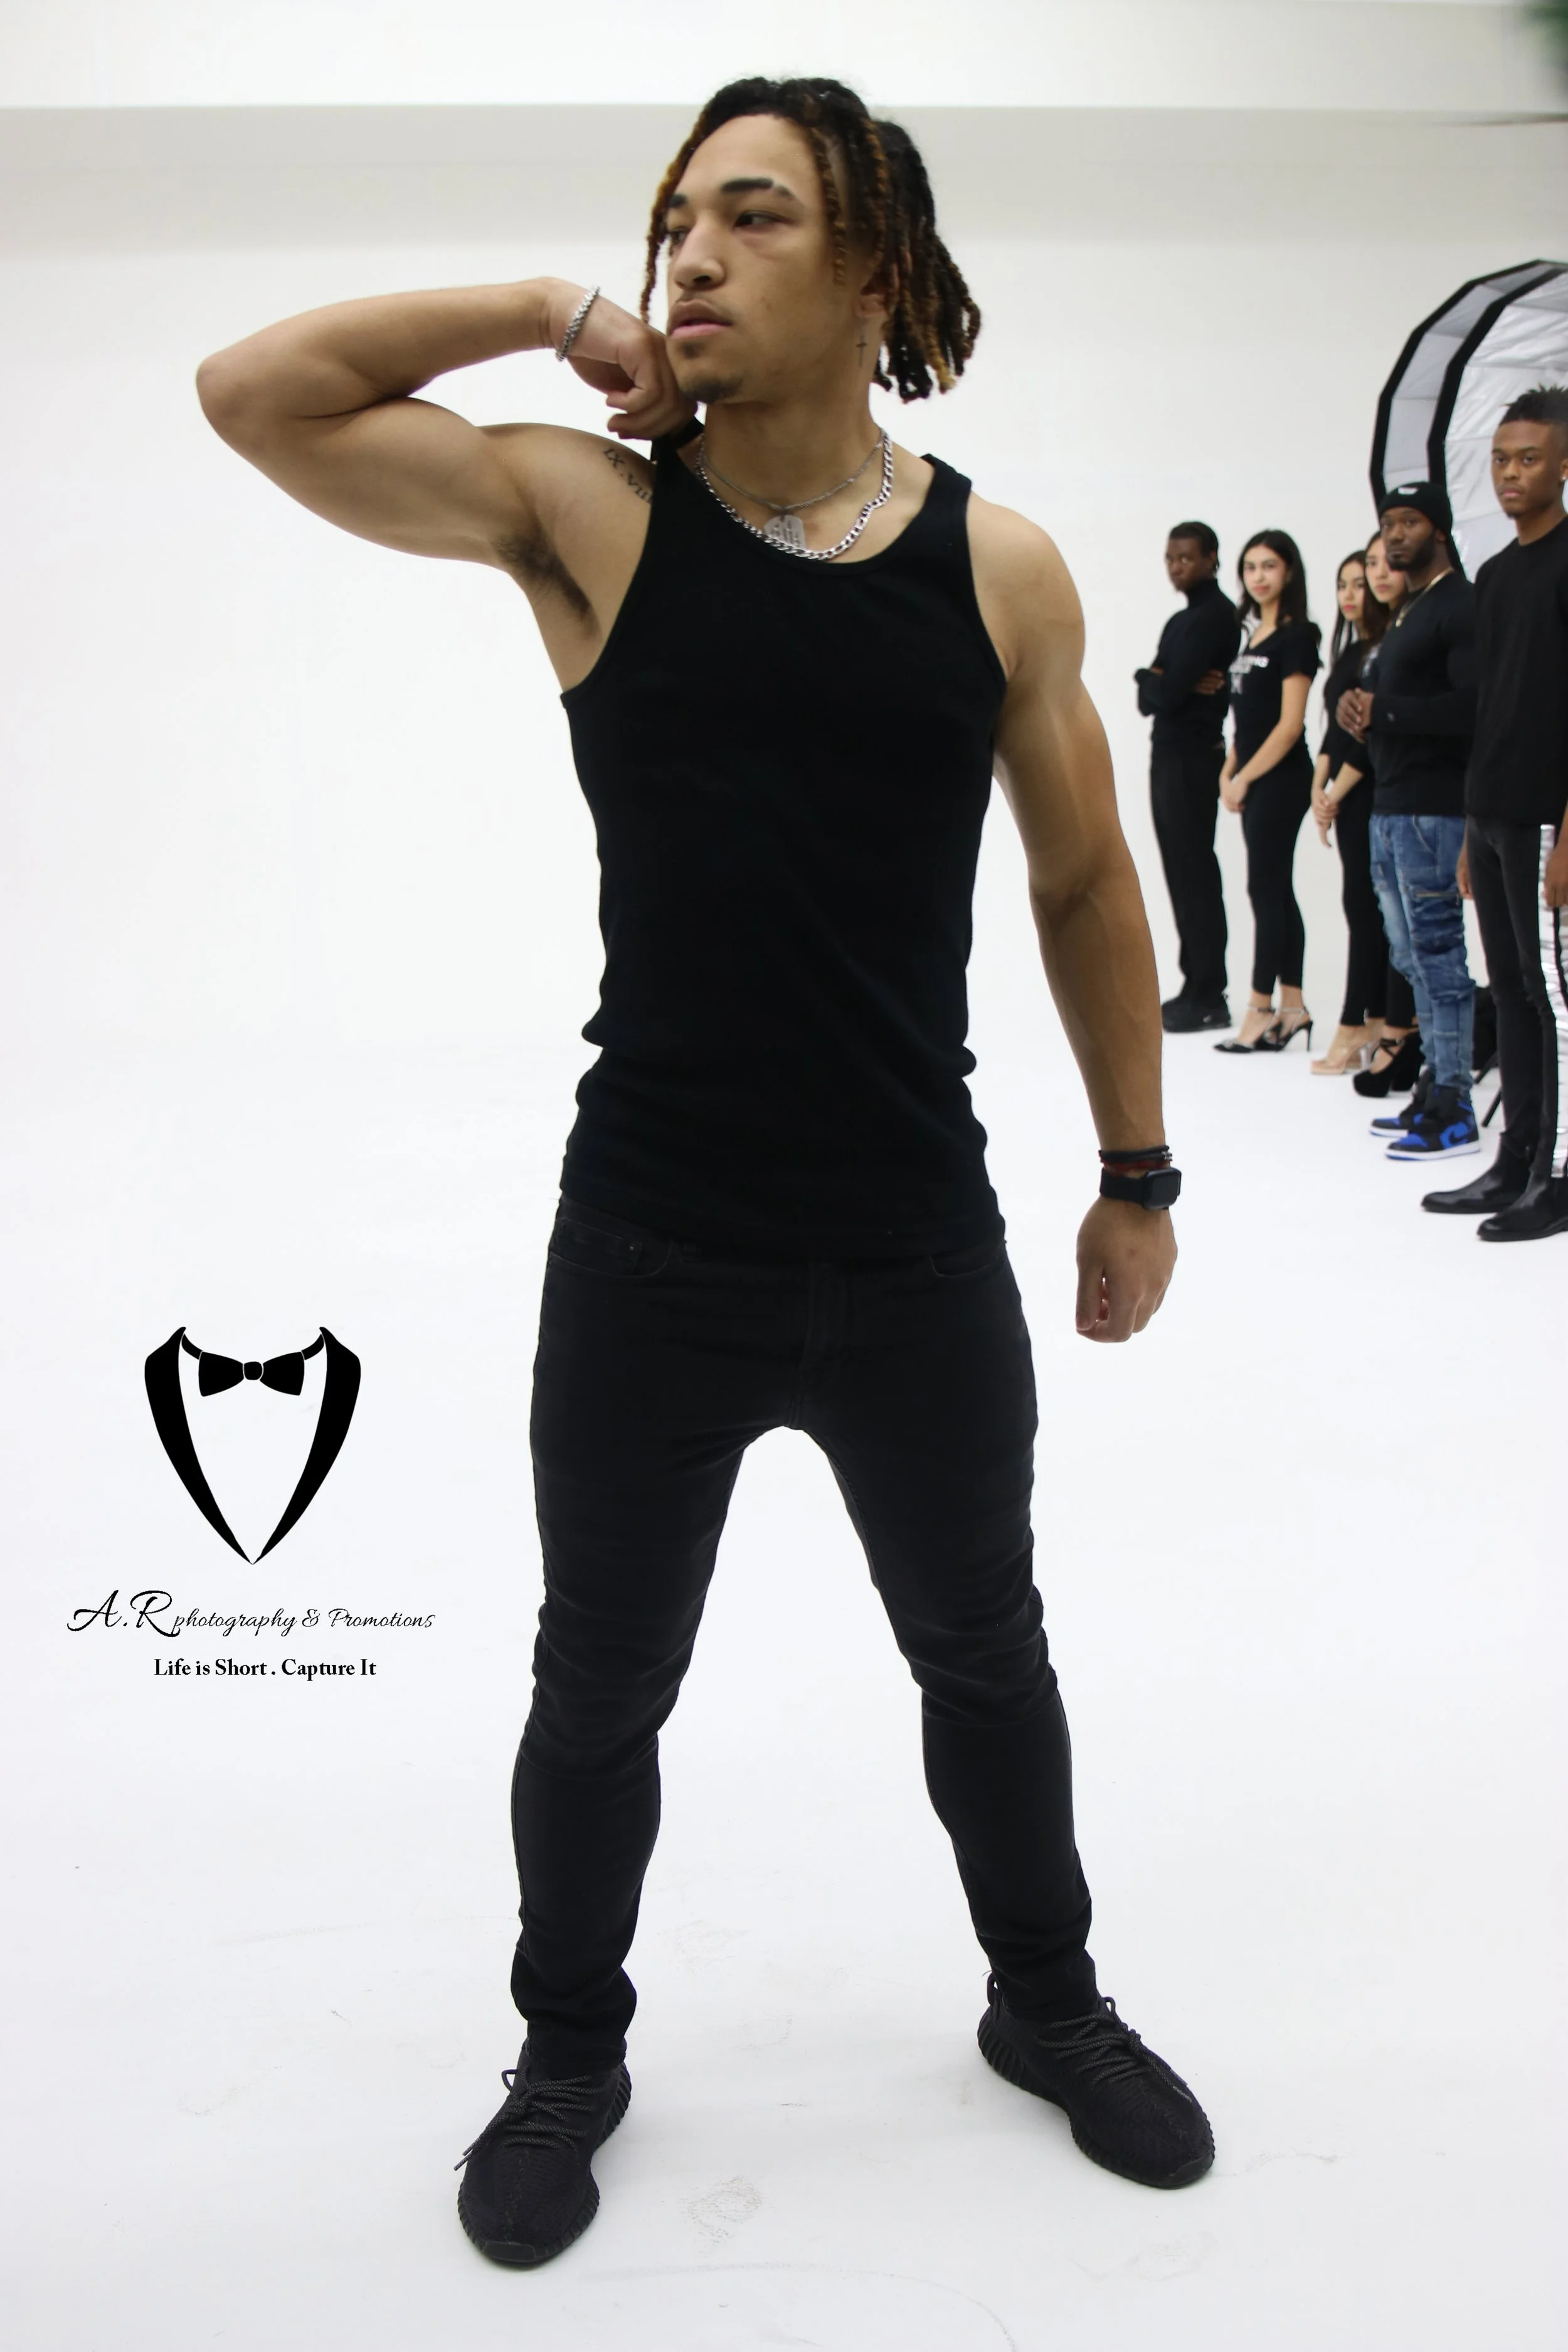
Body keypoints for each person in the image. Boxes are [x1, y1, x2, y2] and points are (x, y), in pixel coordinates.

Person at [196, 75, 1214, 2268]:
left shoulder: (997, 567)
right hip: (654, 1244)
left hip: (915, 1246)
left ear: (875, 267)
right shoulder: (589, 516)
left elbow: (1080, 881)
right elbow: (256, 394)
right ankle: (569, 2054)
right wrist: (540, 308)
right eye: (671, 220)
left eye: (752, 216)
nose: (690, 254)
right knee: (598, 1683)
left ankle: (1045, 2002)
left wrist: (1136, 1170)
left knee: (987, 1655)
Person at [1425, 385, 1568, 1238]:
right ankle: (1516, 1160)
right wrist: (1471, 827)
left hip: (1549, 817)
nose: (1511, 473)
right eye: (1502, 459)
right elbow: (1494, 707)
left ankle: (1559, 1174)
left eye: (1529, 459)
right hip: (1493, 813)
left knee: (1556, 1001)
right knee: (1511, 992)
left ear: (1564, 465)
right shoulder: (1498, 575)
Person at [1340, 482, 1479, 1162]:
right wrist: (1362, 716)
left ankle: (1455, 1105)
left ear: (1439, 530)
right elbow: (1401, 707)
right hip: (1391, 806)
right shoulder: (1406, 611)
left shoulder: (1460, 605)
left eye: (1409, 523)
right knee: (1409, 958)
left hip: (1433, 809)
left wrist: (1386, 711)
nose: (1394, 535)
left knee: (1438, 958)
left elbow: (1472, 708)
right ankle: (1434, 1082)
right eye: (1388, 523)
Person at [1212, 531, 1320, 1054]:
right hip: (1254, 774)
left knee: (1264, 889)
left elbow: (1289, 726)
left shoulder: (1298, 637)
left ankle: (1259, 1009)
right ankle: (1293, 1008)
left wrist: (1245, 777)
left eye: (1269, 566)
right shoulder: (1253, 638)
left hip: (1283, 778)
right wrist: (1228, 771)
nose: (1258, 576)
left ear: (1289, 572)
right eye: (1250, 567)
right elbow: (1248, 722)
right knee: (1277, 889)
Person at [1134, 522, 1241, 1032]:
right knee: (1180, 873)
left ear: (1211, 558)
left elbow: (1169, 692)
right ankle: (1194, 984)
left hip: (1193, 758)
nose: (1176, 567)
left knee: (1195, 872)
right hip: (1168, 756)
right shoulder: (1181, 622)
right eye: (1170, 558)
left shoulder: (1218, 616)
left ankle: (1209, 994)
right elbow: (1149, 698)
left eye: (1186, 558)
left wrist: (1158, 680)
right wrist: (1149, 679)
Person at [1342, 534, 1422, 1098]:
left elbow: (1378, 723)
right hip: (1380, 798)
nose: (1378, 573)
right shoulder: (1378, 643)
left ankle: (1399, 1034)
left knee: (1419, 938)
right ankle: (1394, 1032)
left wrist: (1335, 786)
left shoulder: (1414, 630)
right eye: (1369, 563)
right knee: (1394, 929)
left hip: (1402, 795)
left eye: (1381, 564)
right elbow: (1352, 725)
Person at [1310, 549, 1391, 1074]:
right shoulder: (1350, 653)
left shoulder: (1383, 652)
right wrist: (1318, 788)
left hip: (1370, 791)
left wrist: (1335, 793)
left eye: (1359, 583)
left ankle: (1357, 1021)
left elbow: (1366, 739)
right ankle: (1375, 1018)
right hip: (1344, 791)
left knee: (1366, 909)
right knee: (1361, 906)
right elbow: (1334, 734)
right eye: (1343, 584)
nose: (1350, 594)